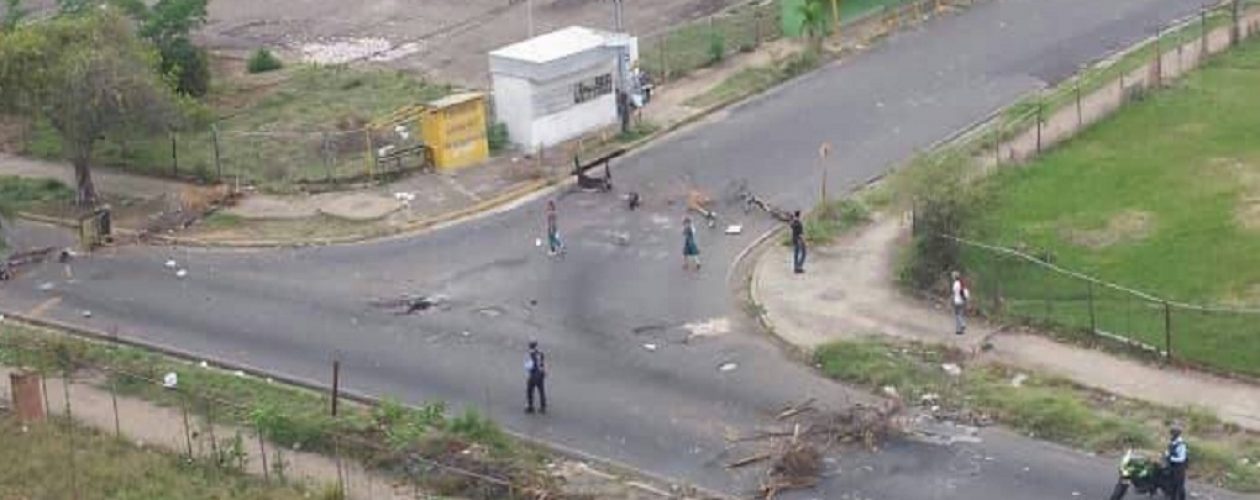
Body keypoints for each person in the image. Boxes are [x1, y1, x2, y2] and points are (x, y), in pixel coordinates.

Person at [1166, 423, 1188, 500]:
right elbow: (1169, 451)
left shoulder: (1181, 444)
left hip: (1179, 468)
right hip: (1172, 467)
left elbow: (1182, 458)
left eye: (1173, 433)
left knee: (1179, 486)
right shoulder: (1172, 442)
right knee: (1172, 486)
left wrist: (1171, 458)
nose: (1171, 435)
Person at [525, 340, 547, 414]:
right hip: (541, 374)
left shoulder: (530, 354)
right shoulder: (540, 353)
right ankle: (543, 407)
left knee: (529, 391)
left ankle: (530, 406)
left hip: (533, 375)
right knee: (541, 391)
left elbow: (529, 366)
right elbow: (542, 363)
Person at [951, 271, 970, 335]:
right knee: (961, 314)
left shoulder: (955, 284)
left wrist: (952, 300)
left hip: (957, 301)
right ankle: (959, 331)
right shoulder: (961, 283)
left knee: (957, 315)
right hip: (962, 301)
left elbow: (955, 292)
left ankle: (962, 324)